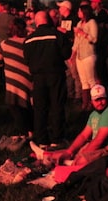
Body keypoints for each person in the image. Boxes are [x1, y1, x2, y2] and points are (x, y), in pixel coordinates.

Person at [37, 84, 108, 168]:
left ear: (106, 97)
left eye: (102, 98)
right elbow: (84, 135)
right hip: (97, 146)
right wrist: (70, 152)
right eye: (97, 100)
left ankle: (64, 164)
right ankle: (45, 155)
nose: (100, 102)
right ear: (91, 101)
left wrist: (81, 155)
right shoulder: (94, 114)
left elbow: (99, 140)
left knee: (81, 160)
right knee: (69, 152)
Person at [24, 10, 72, 146]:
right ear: (48, 20)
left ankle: (42, 139)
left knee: (40, 108)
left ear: (36, 22)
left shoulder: (29, 39)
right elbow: (66, 54)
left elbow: (26, 59)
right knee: (57, 106)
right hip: (56, 74)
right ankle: (57, 138)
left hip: (38, 77)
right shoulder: (58, 36)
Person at [0, 17, 33, 140]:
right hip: (29, 80)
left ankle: (24, 133)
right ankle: (32, 130)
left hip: (13, 82)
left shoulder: (4, 44)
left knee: (15, 107)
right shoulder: (29, 43)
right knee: (29, 107)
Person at [72, 4, 99, 111]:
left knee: (91, 80)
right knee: (83, 81)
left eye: (79, 11)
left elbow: (94, 39)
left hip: (88, 54)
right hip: (80, 55)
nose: (78, 13)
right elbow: (76, 42)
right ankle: (85, 103)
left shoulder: (92, 23)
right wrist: (72, 55)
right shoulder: (79, 23)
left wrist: (82, 33)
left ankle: (94, 102)